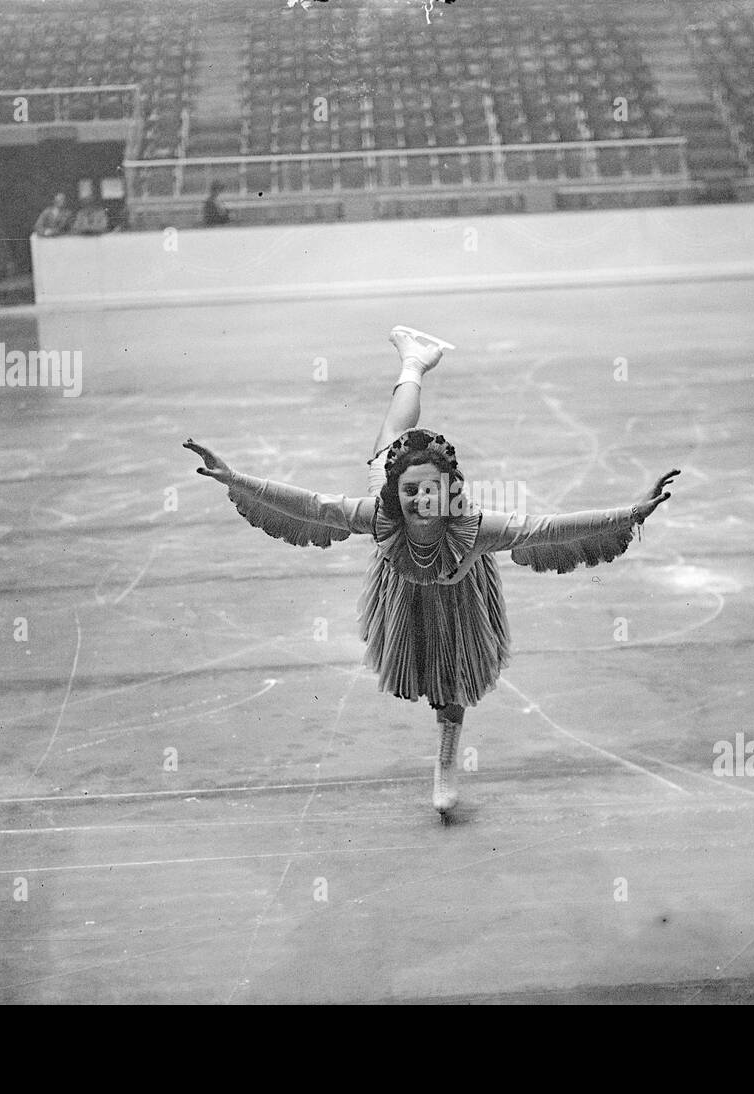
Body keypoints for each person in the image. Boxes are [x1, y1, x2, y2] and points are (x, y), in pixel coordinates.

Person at [185, 327, 678, 819]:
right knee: (387, 444)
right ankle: (414, 363)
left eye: (431, 492)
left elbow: (548, 530)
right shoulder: (380, 514)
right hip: (402, 582)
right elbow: (311, 506)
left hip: (458, 591)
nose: (421, 501)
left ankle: (447, 751)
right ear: (395, 497)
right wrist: (236, 479)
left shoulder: (477, 527)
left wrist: (631, 514)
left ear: (450, 491)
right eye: (410, 493)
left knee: (451, 675)